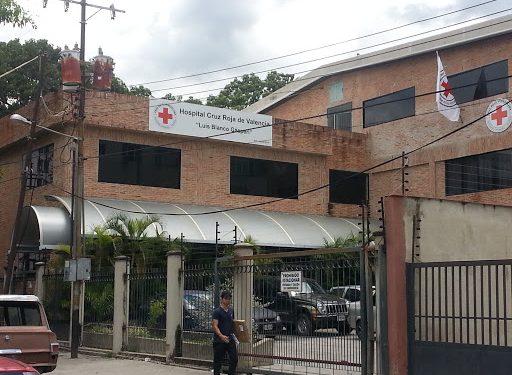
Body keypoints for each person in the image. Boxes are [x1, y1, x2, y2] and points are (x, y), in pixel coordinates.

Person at [211, 290, 238, 375]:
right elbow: (215, 325)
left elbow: (232, 323)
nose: (228, 300)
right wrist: (221, 336)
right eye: (226, 298)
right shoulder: (217, 312)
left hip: (229, 338)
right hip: (219, 340)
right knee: (218, 361)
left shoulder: (231, 311)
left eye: (229, 298)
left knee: (234, 358)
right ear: (222, 299)